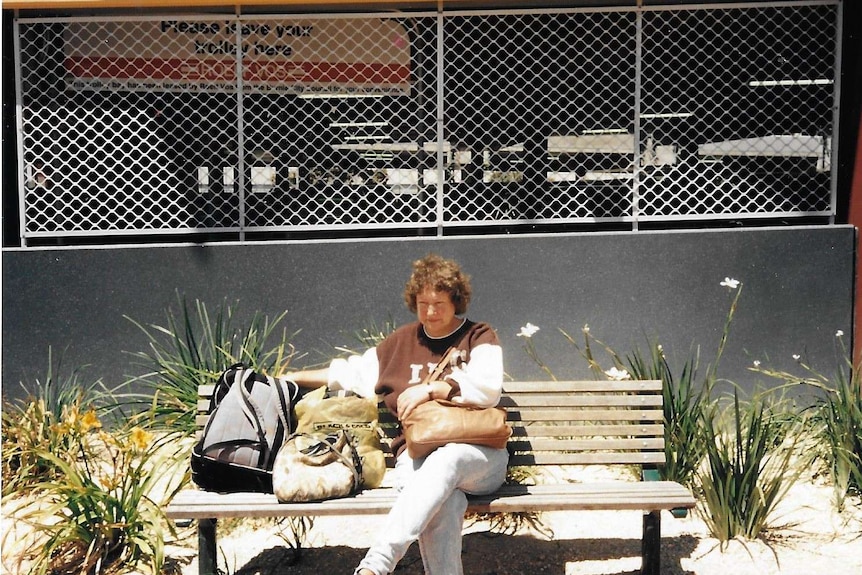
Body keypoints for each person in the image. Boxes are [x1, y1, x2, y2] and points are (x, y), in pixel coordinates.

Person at [286, 253, 508, 575]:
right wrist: (294, 377)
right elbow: (350, 373)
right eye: (423, 304)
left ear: (456, 301)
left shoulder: (478, 336)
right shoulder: (400, 343)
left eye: (440, 304)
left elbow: (489, 389)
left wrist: (432, 389)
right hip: (415, 456)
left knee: (448, 458)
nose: (430, 313)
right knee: (446, 503)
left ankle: (377, 564)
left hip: (479, 457)